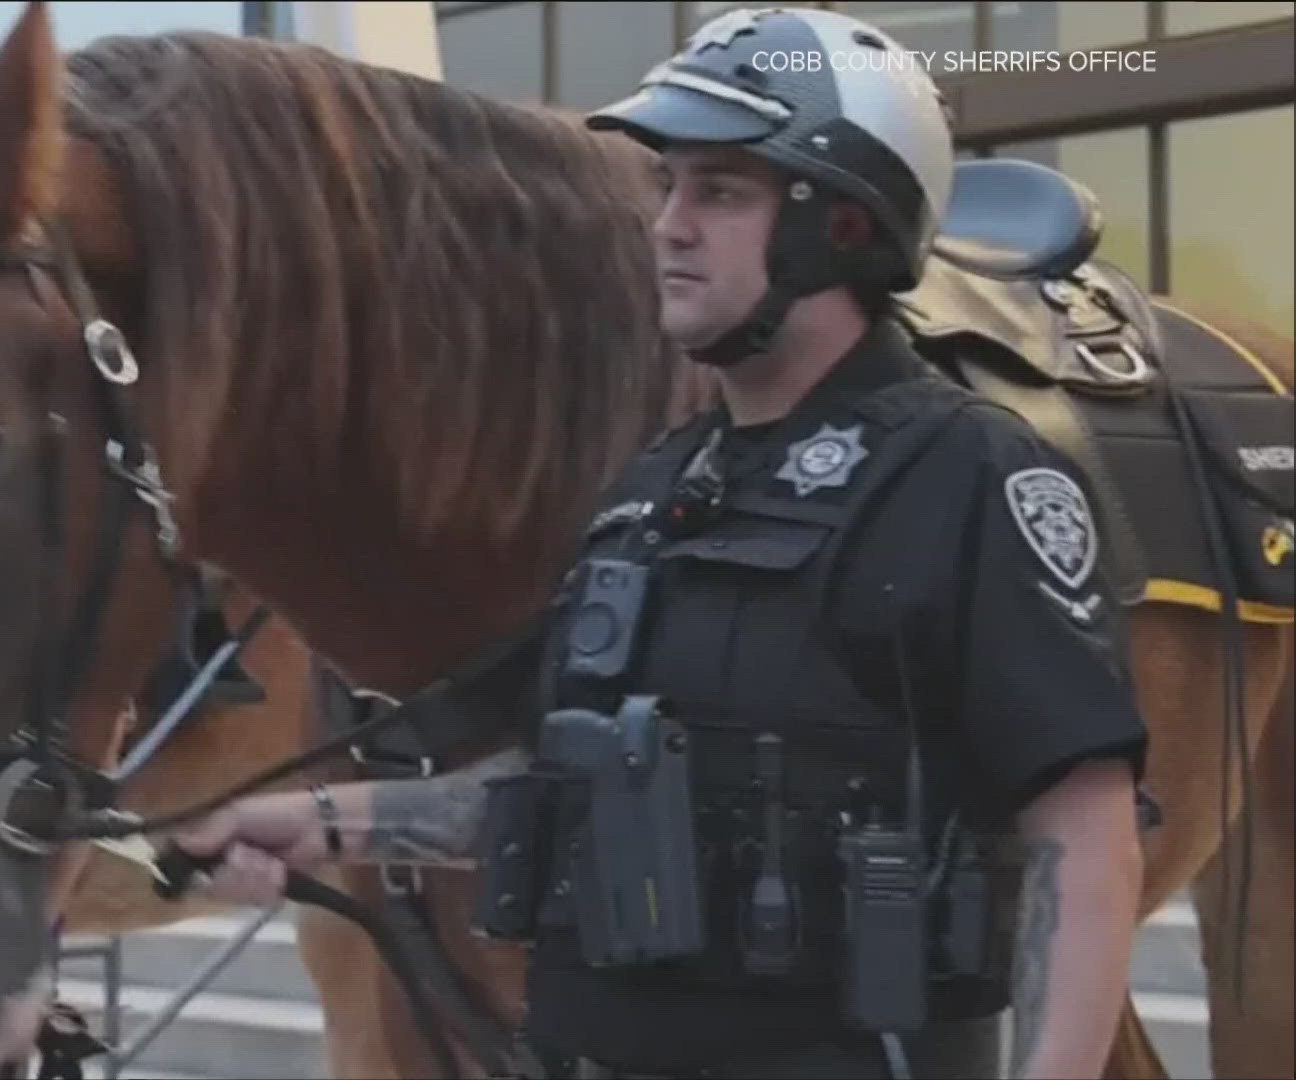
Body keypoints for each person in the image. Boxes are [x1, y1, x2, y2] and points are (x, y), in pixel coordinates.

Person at [163, 8, 1148, 1079]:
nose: (668, 224)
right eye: (669, 187)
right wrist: (317, 821)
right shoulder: (654, 488)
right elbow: (559, 794)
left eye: (719, 191)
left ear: (845, 228)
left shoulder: (965, 477)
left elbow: (1082, 833)